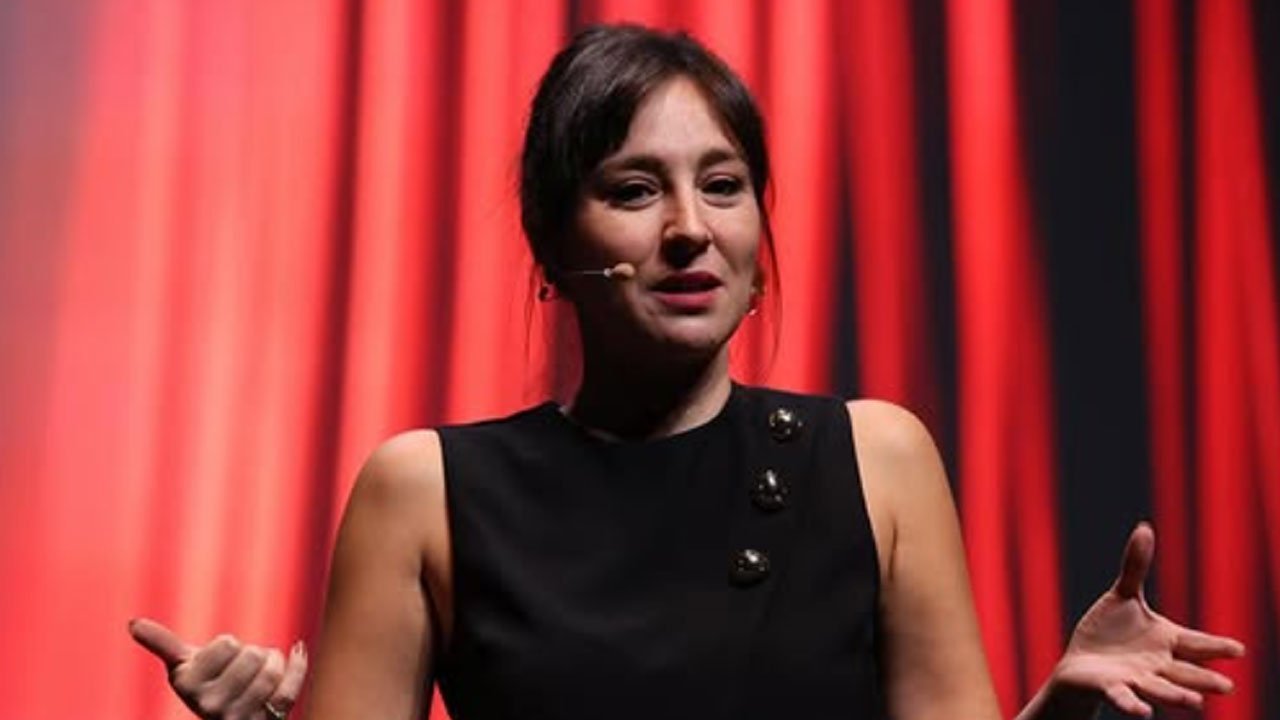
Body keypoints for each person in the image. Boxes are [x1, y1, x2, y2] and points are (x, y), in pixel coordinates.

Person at [129, 24, 1244, 720]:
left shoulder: (878, 458)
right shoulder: (423, 491)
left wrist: (1061, 708)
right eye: (632, 190)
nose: (688, 230)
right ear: (549, 245)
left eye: (721, 185)